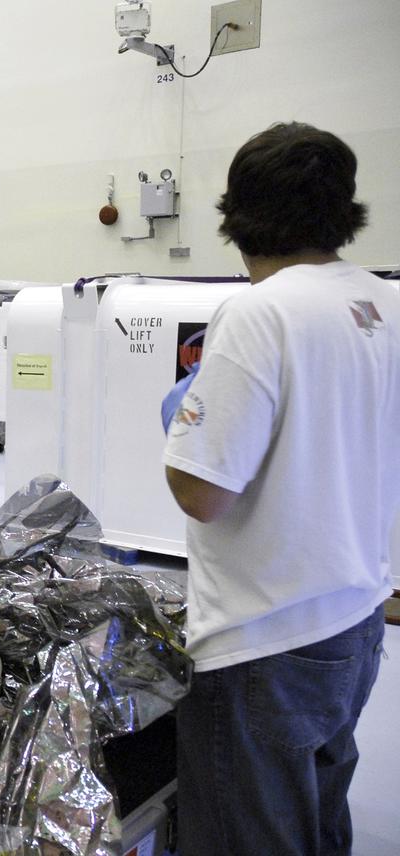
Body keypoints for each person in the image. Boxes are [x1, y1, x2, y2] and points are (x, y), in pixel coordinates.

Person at [161, 122, 397, 855]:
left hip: (264, 642)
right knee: (320, 812)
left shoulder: (260, 313)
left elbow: (203, 493)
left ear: (238, 216)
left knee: (249, 832)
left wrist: (182, 426)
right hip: (352, 620)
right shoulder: (382, 302)